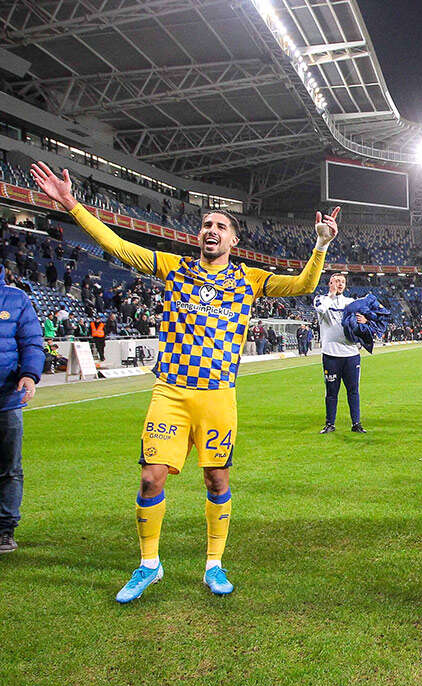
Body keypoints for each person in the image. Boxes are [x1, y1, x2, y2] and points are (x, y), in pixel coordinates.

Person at [31, 160, 338, 602]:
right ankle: (148, 564)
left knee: (216, 480)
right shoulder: (173, 267)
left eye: (220, 226)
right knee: (150, 479)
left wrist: (321, 244)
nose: (211, 230)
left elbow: (304, 285)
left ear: (233, 239)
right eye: (206, 225)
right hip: (170, 392)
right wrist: (72, 205)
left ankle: (214, 564)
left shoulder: (250, 279)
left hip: (217, 397)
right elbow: (117, 245)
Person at [0, 265, 43, 553]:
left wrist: (29, 374)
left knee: (9, 468)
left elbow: (31, 343)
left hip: (7, 399)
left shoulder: (16, 299)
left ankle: (5, 530)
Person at [313, 272, 366, 434]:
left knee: (353, 391)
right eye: (336, 281)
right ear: (330, 283)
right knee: (331, 392)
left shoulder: (351, 302)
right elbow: (321, 309)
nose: (340, 284)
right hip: (331, 354)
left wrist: (364, 321)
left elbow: (364, 321)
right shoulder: (320, 299)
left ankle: (356, 423)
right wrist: (331, 294)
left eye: (342, 281)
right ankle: (330, 423)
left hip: (351, 354)